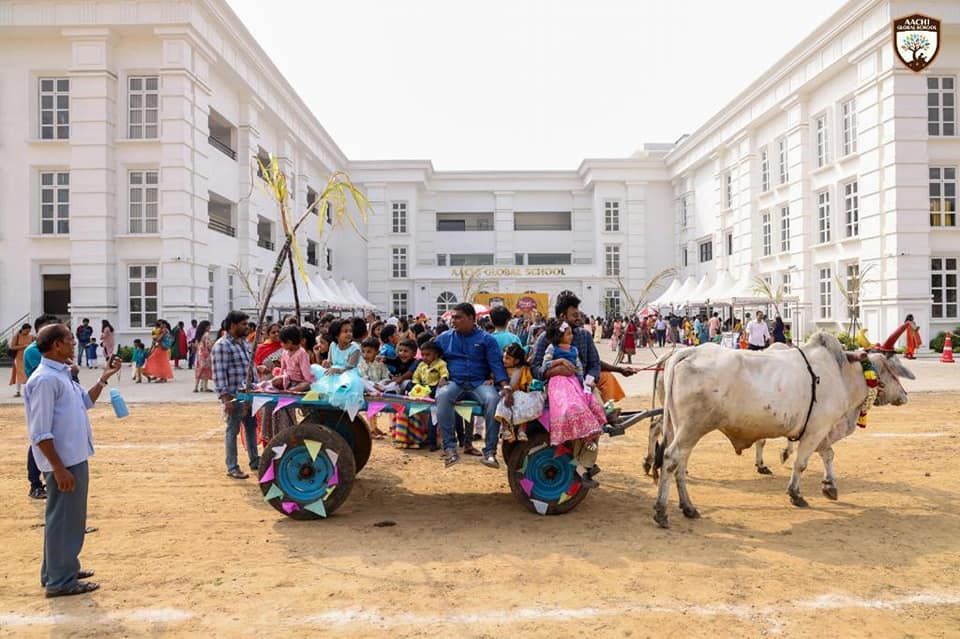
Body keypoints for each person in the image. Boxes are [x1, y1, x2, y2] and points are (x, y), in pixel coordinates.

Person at [25, 323, 122, 597]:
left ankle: (58, 569)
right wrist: (58, 468)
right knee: (65, 519)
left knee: (65, 518)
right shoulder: (45, 380)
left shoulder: (63, 374)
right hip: (64, 462)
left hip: (72, 457)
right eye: (69, 339)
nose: (74, 343)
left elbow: (86, 402)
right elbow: (40, 431)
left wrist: (104, 379)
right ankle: (60, 580)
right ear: (56, 345)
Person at [433, 303, 511, 469]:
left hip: (479, 384)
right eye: (452, 317)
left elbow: (496, 365)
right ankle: (450, 449)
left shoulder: (486, 339)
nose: (453, 321)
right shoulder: (444, 338)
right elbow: (426, 357)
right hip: (454, 382)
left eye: (458, 317)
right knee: (442, 395)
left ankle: (489, 452)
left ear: (471, 318)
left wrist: (505, 386)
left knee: (493, 399)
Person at [530, 293, 635, 407]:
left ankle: (605, 414)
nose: (579, 318)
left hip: (584, 381)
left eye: (579, 314)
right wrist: (553, 372)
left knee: (607, 378)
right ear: (562, 316)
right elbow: (535, 368)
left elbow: (594, 363)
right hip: (558, 385)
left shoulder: (585, 335)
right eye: (574, 315)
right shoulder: (545, 338)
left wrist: (589, 380)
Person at [540, 319, 606, 488]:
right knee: (571, 408)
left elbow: (580, 369)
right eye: (568, 333)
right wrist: (559, 362)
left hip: (574, 383)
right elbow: (543, 366)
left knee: (591, 408)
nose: (572, 335)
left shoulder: (575, 349)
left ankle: (583, 463)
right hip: (558, 384)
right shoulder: (551, 348)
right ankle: (580, 463)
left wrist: (585, 384)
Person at [212, 311, 260, 480]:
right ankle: (232, 466)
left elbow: (250, 368)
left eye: (247, 324)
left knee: (251, 427)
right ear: (233, 325)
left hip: (250, 394)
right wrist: (226, 398)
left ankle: (255, 460)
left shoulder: (244, 343)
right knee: (232, 430)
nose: (247, 327)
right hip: (234, 395)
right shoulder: (222, 346)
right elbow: (219, 373)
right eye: (243, 324)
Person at [22, 314, 62, 500]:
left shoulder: (57, 352)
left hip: (56, 402)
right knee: (39, 443)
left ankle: (49, 480)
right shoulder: (32, 351)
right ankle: (35, 484)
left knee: (52, 442)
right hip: (42, 400)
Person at [311, 320, 364, 415]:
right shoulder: (333, 345)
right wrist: (326, 363)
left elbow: (350, 367)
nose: (349, 334)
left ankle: (340, 397)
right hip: (333, 373)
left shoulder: (355, 348)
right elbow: (330, 362)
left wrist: (337, 370)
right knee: (314, 368)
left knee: (349, 382)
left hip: (347, 373)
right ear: (336, 335)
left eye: (350, 331)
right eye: (345, 331)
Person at [495, 343, 544, 443]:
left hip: (520, 394)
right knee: (503, 404)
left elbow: (527, 384)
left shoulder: (523, 369)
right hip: (505, 393)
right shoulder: (501, 369)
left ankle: (522, 430)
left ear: (516, 360)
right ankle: (505, 429)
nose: (504, 360)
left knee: (524, 406)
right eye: (504, 357)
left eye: (507, 358)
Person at [408, 340, 449, 450]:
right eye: (423, 354)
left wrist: (443, 379)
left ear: (435, 354)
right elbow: (415, 377)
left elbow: (444, 374)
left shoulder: (441, 363)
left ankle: (432, 442)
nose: (424, 357)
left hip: (435, 391)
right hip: (422, 390)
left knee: (433, 418)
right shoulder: (421, 365)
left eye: (428, 354)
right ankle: (417, 439)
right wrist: (417, 386)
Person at [9, 323, 33, 397]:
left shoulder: (31, 336)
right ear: (23, 329)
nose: (28, 333)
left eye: (29, 331)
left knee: (28, 373)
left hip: (28, 357)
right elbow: (12, 347)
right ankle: (18, 391)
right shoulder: (16, 336)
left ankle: (29, 390)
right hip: (18, 358)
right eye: (27, 331)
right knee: (19, 374)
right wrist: (24, 346)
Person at [193, 320, 215, 392]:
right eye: (209, 326)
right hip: (205, 355)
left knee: (199, 370)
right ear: (206, 327)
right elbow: (208, 345)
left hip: (199, 354)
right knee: (206, 370)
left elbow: (196, 345)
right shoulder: (206, 334)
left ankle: (196, 387)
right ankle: (204, 387)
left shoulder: (198, 335)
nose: (210, 327)